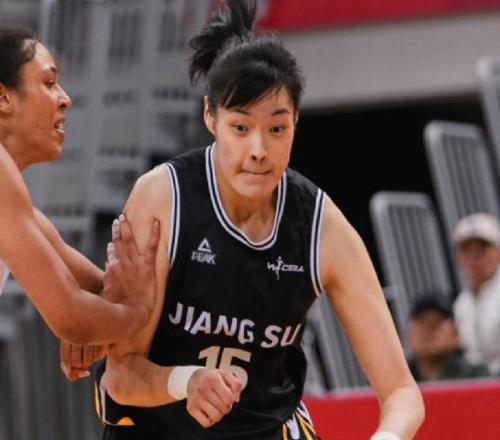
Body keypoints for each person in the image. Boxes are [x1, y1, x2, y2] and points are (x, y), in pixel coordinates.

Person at [84, 1, 424, 439]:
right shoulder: (164, 199)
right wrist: (187, 381)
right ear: (210, 117)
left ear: (296, 121)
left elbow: (402, 394)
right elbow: (120, 376)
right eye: (241, 128)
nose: (259, 150)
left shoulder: (320, 226)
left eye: (276, 129)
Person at [0, 26, 158, 346]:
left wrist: (103, 322)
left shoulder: (20, 213)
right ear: (3, 98)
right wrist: (141, 313)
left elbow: (97, 294)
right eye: (49, 83)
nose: (65, 99)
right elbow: (75, 319)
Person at [452, 213, 500, 374]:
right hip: (477, 381)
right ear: (459, 257)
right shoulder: (461, 304)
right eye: (467, 249)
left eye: (483, 247)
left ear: (498, 251)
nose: (476, 256)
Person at [406, 295, 489, 382]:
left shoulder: (475, 376)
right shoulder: (401, 379)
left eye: (436, 322)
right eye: (422, 321)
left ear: (455, 334)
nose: (428, 330)